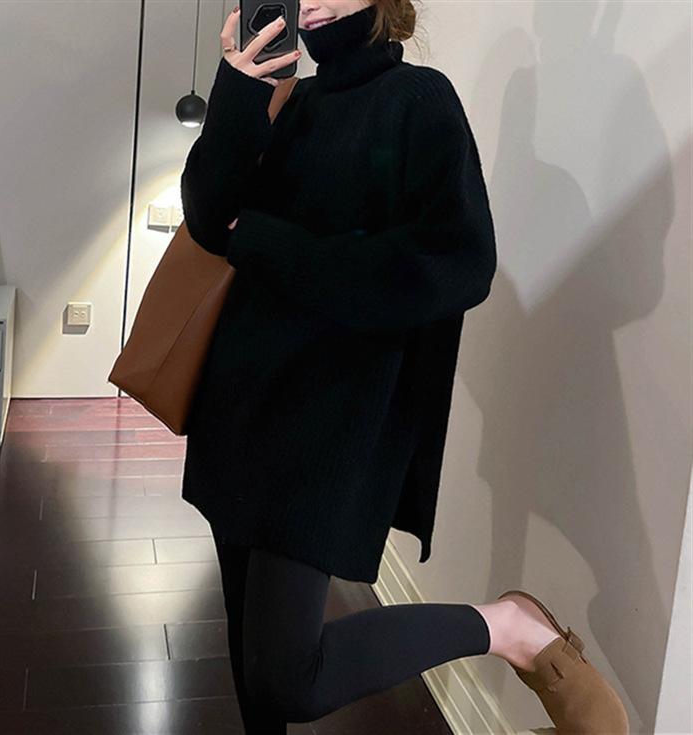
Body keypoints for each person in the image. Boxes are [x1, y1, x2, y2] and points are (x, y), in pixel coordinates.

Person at [179, 1, 629, 732]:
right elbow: (208, 217)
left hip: (326, 417)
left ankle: (505, 625)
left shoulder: (418, 99)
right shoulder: (292, 100)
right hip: (237, 403)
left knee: (290, 677)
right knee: (254, 661)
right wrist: (237, 88)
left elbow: (458, 263)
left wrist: (271, 245)